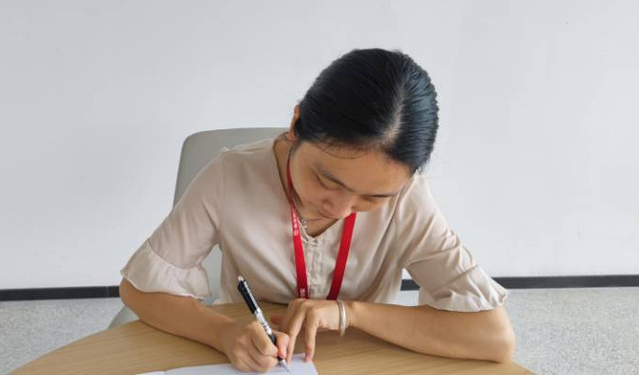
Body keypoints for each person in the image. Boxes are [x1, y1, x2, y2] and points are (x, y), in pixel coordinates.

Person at [119, 48, 515, 373]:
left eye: (372, 198)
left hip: (363, 361)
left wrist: (348, 314)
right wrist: (223, 333)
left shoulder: (407, 199)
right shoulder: (231, 176)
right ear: (297, 124)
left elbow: (494, 338)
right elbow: (137, 291)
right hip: (255, 361)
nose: (341, 209)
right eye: (327, 180)